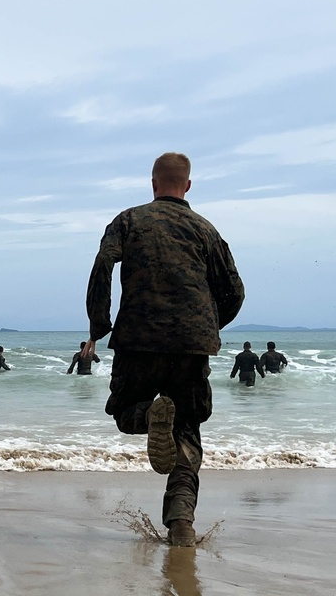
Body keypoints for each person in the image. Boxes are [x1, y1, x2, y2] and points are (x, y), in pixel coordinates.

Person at [82, 152, 244, 547]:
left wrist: (98, 326)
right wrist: (205, 326)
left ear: (153, 183)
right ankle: (181, 524)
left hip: (138, 338)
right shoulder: (205, 230)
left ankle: (151, 415)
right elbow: (234, 291)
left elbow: (104, 262)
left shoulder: (129, 220)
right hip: (192, 346)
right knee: (188, 430)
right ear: (187, 185)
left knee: (124, 412)